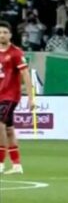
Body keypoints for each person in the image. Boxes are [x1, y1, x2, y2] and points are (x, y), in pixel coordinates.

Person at [0, 20, 35, 174]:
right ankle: (16, 164)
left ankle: (0, 162)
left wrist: (31, 97)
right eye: (0, 32)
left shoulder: (16, 53)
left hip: (10, 96)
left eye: (5, 32)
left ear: (11, 35)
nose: (2, 35)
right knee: (8, 129)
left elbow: (25, 74)